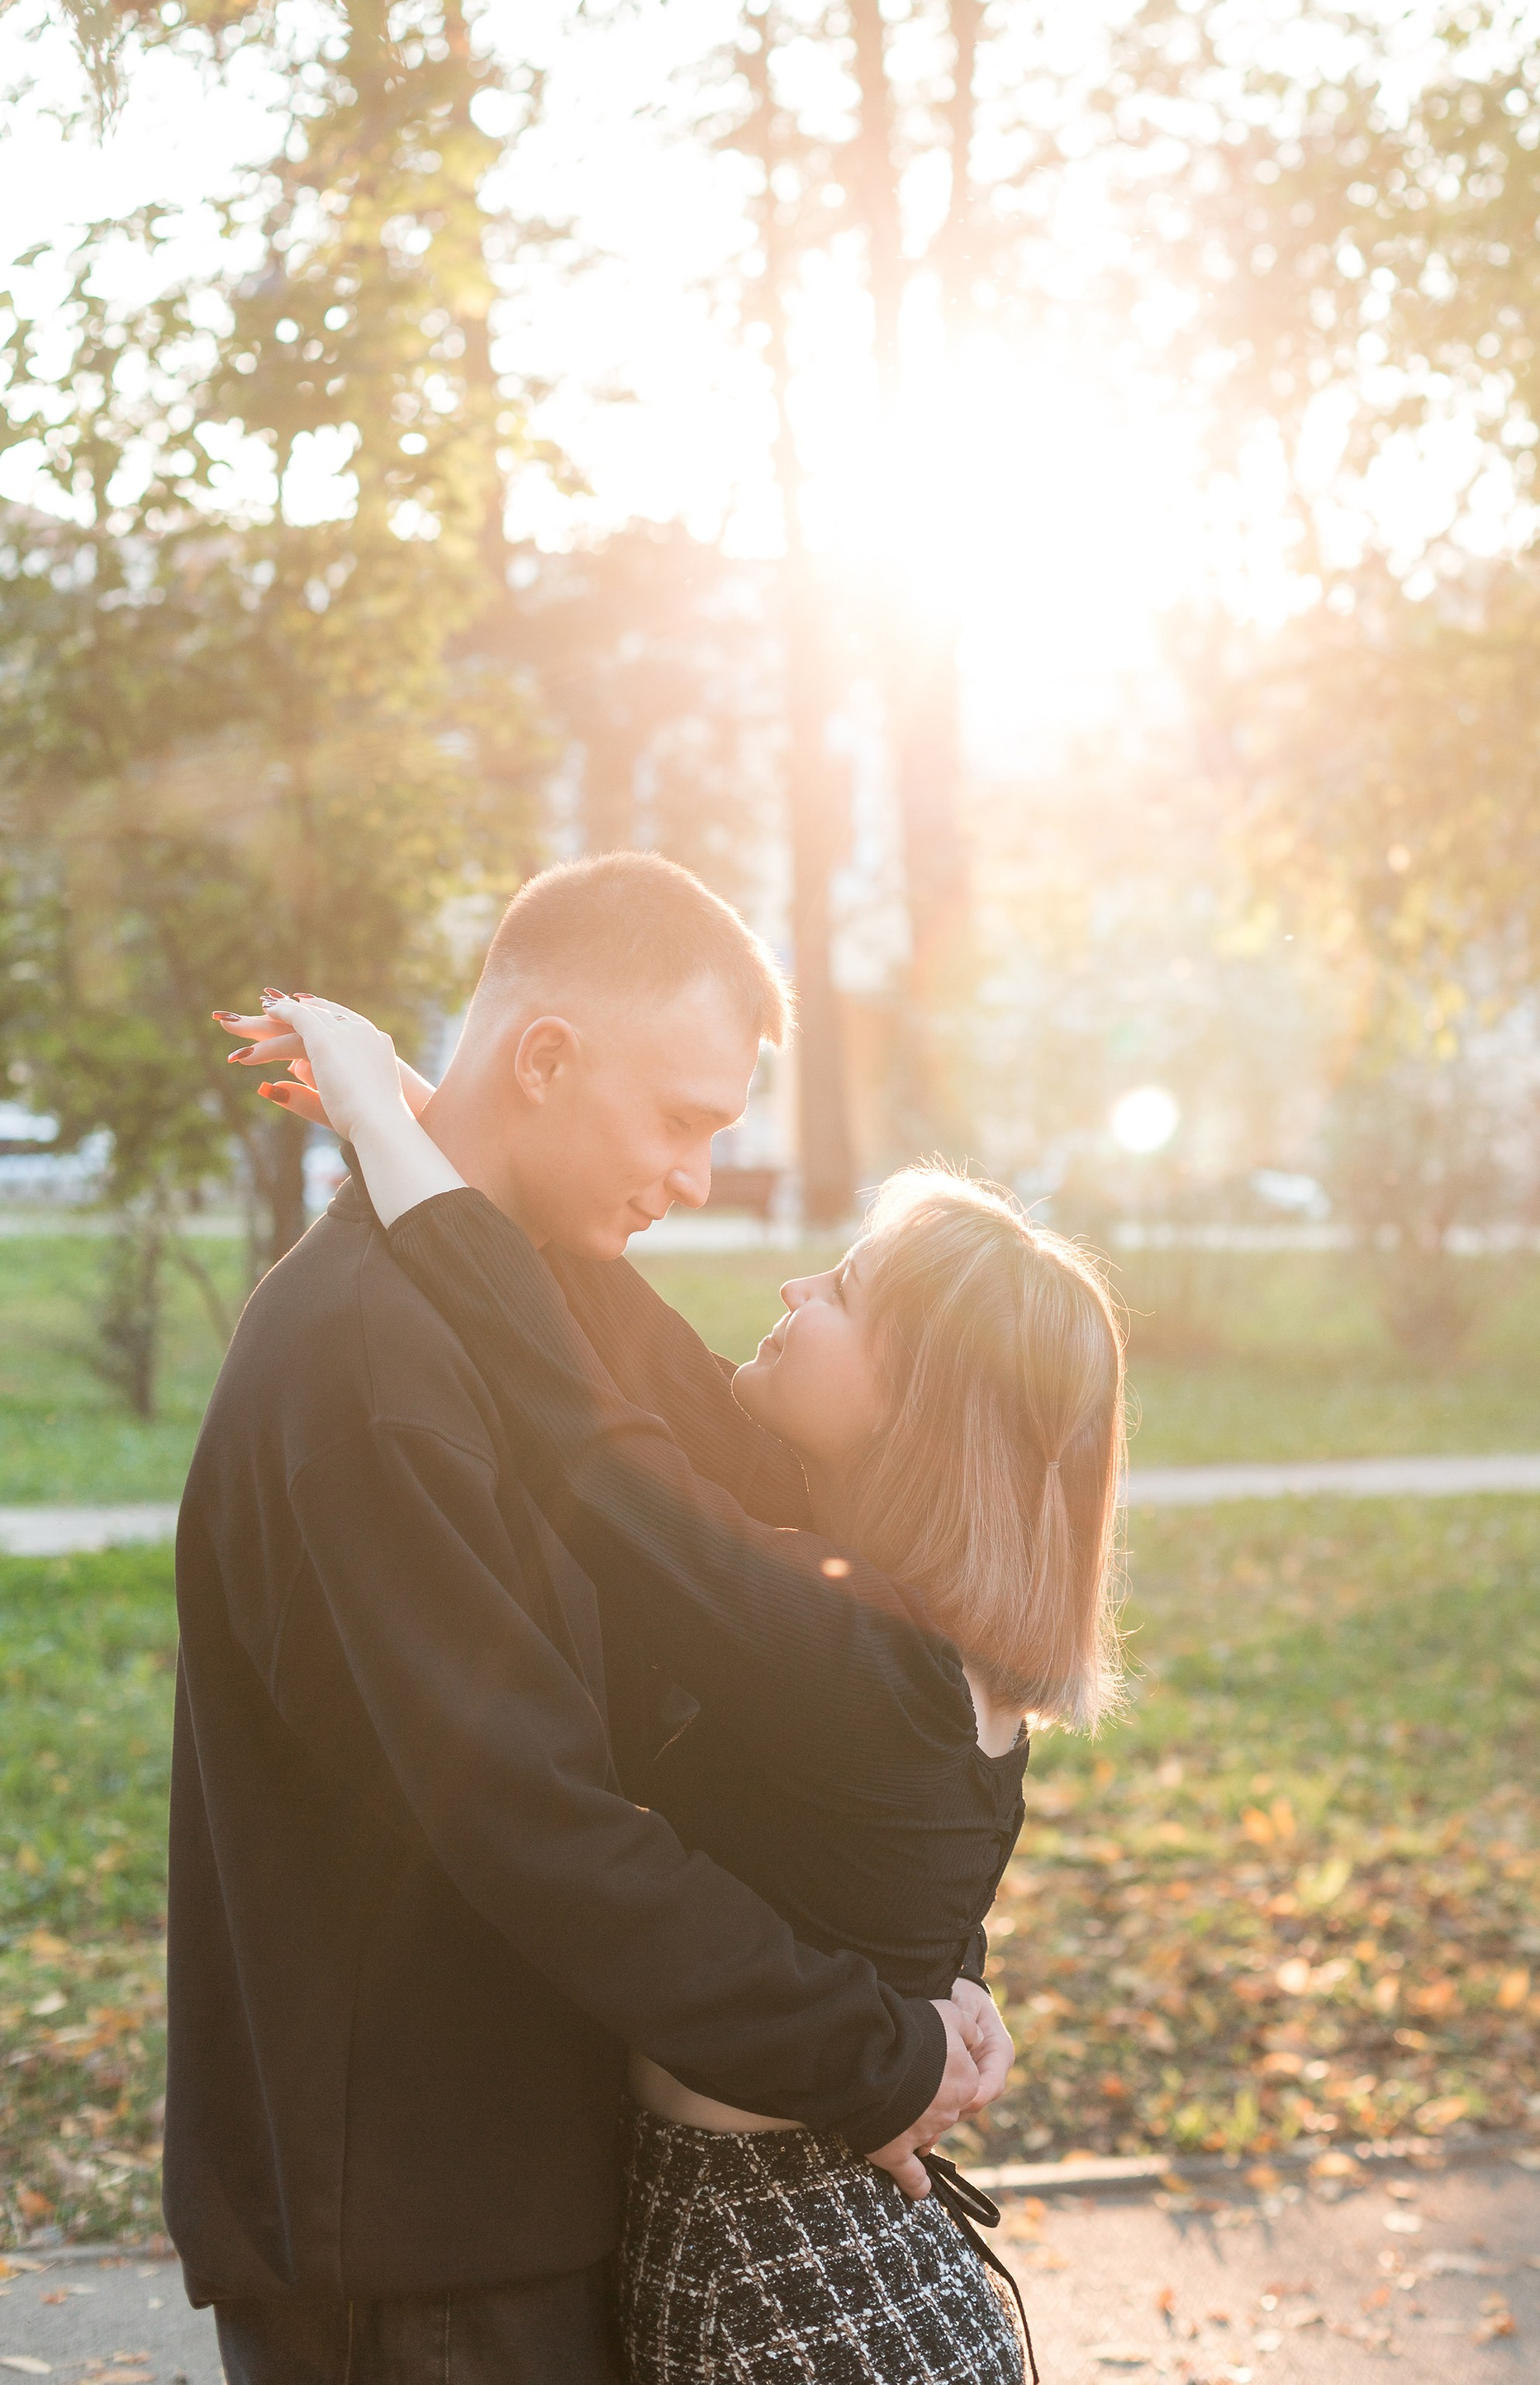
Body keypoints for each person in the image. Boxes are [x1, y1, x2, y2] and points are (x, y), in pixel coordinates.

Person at [172, 855, 1008, 2385]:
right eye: (682, 1120)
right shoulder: (374, 1362)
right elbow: (538, 1820)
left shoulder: (515, 1317)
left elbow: (778, 1663)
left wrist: (917, 1989)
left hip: (514, 2191)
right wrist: (874, 2056)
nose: (698, 1179)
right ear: (548, 1059)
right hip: (422, 2236)